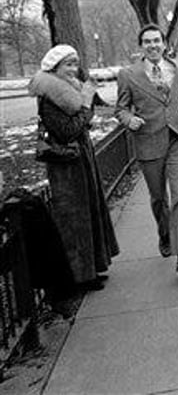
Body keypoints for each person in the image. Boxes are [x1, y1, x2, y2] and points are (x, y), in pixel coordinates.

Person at [27, 45, 119, 291]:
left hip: (80, 160)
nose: (73, 69)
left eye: (75, 63)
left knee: (88, 213)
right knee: (74, 219)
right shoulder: (51, 96)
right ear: (54, 68)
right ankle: (79, 276)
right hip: (66, 166)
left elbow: (80, 122)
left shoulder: (69, 91)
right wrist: (87, 107)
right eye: (67, 64)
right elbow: (67, 131)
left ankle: (91, 268)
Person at [115, 25, 178, 273]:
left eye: (156, 40)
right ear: (141, 46)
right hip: (149, 142)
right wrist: (130, 120)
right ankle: (164, 234)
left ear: (164, 43)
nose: (152, 45)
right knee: (159, 198)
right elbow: (121, 108)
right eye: (147, 41)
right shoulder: (128, 74)